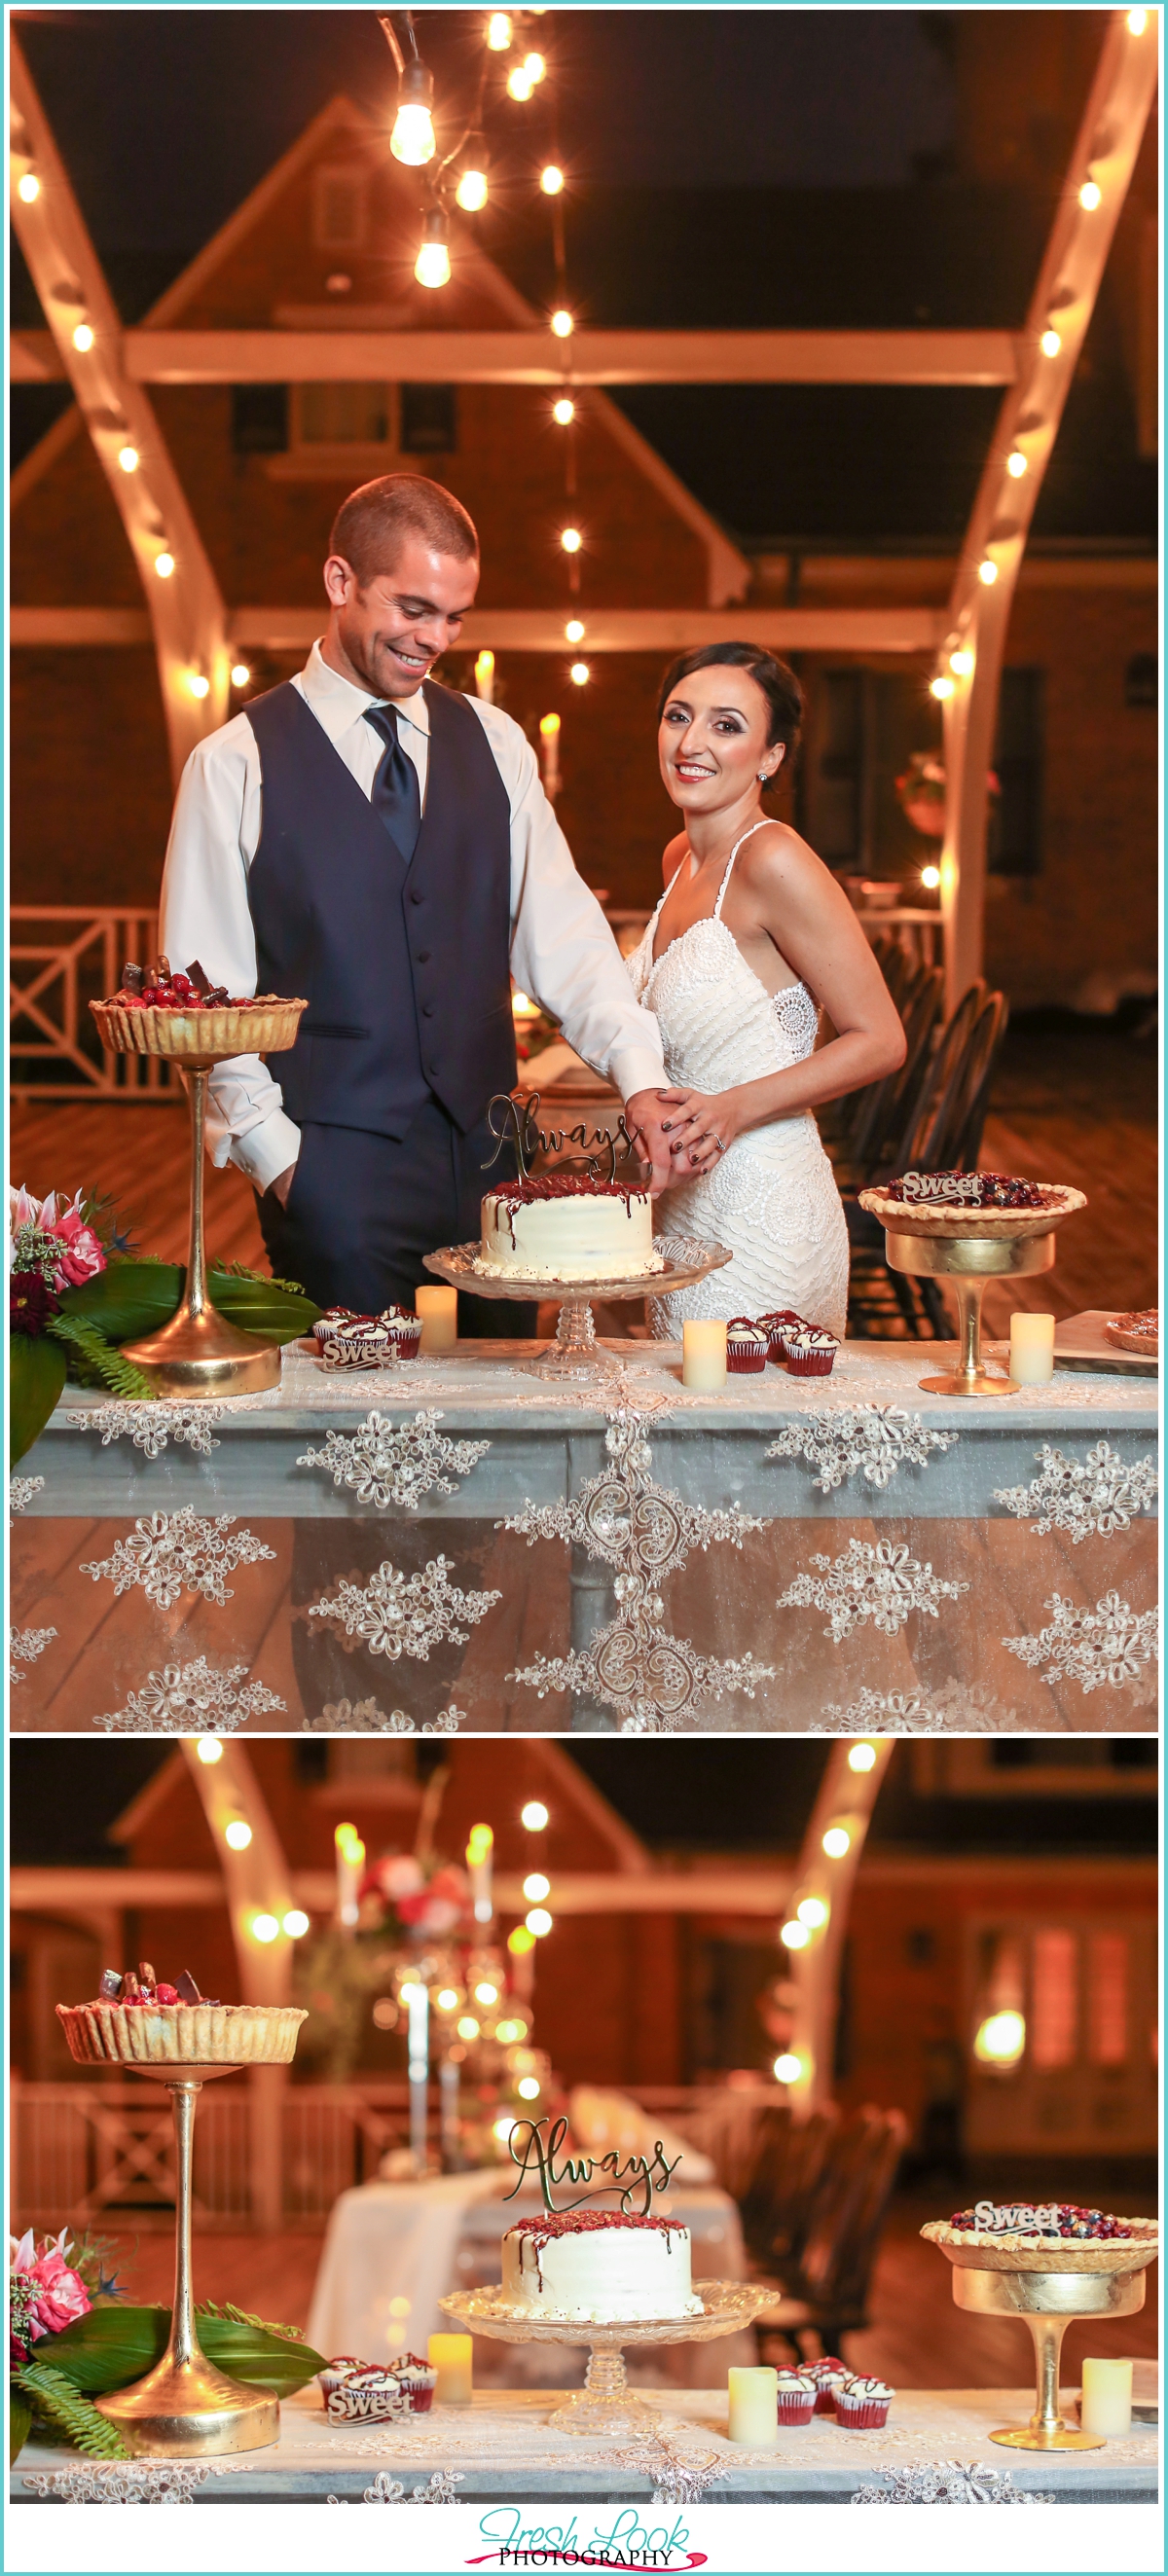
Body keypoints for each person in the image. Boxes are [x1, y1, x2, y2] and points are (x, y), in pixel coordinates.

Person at [159, 473, 674, 1329]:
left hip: (491, 1173)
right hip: (330, 1177)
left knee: (503, 1438)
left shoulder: (497, 743)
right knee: (356, 1450)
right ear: (340, 582)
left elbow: (566, 936)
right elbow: (204, 1001)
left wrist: (640, 1078)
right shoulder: (233, 763)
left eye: (455, 616)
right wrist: (287, 1166)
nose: (434, 638)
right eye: (412, 607)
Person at [626, 641, 906, 1336]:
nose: (691, 742)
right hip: (683, 1207)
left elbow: (882, 1040)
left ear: (772, 756)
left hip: (766, 1206)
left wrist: (734, 1109)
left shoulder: (775, 859)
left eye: (726, 725)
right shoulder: (678, 859)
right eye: (677, 716)